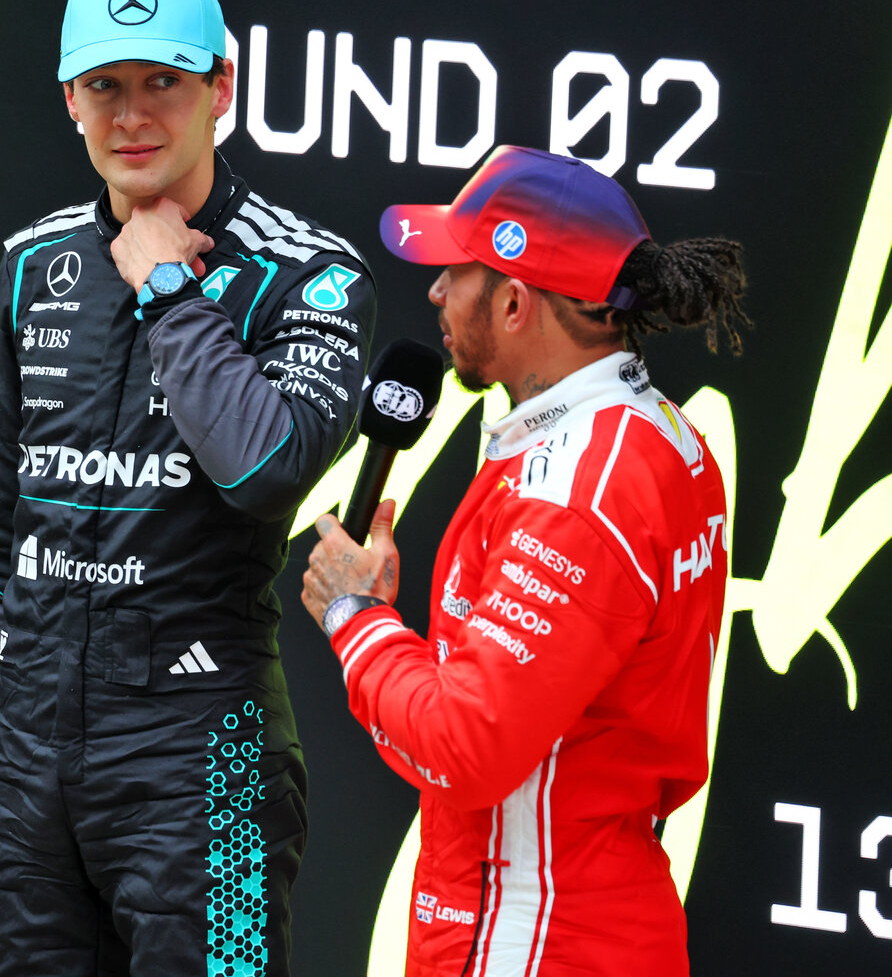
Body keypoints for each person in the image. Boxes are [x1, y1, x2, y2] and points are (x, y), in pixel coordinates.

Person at [0, 0, 375, 975]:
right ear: (70, 97)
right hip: (32, 771)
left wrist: (168, 291)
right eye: (106, 85)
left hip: (203, 759)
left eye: (165, 83)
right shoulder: (34, 264)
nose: (134, 114)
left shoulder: (311, 273)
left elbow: (264, 469)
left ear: (220, 91)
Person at [301, 145, 748, 976]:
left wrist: (353, 618)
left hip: (533, 935)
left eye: (455, 271)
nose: (433, 291)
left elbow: (467, 746)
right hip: (579, 910)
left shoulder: (576, 491)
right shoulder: (654, 432)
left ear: (512, 303)